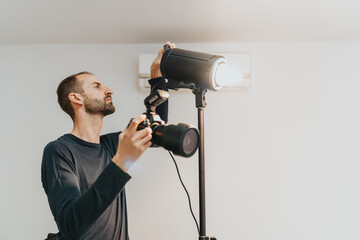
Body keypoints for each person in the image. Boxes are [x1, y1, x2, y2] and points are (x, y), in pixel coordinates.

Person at [41, 42, 176, 240]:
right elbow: (71, 225)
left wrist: (157, 77)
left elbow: (156, 128)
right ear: (76, 98)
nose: (109, 90)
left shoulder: (114, 145)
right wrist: (121, 162)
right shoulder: (59, 151)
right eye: (97, 86)